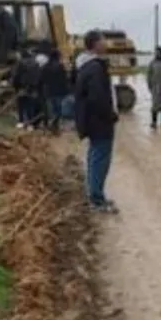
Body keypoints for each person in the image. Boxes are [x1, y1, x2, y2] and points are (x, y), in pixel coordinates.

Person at [74, 29, 119, 213]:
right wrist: (110, 115)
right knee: (100, 159)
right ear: (95, 44)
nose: (106, 43)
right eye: (103, 40)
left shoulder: (86, 66)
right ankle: (97, 200)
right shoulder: (95, 68)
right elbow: (98, 98)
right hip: (100, 123)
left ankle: (94, 194)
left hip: (91, 122)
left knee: (94, 157)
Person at [39, 48, 70, 134]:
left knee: (51, 110)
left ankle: (53, 126)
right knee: (58, 110)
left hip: (48, 91)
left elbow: (41, 79)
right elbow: (64, 79)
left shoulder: (45, 67)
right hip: (59, 91)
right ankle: (55, 126)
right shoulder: (60, 66)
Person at [10, 49, 41, 129]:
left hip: (22, 87)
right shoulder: (36, 63)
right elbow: (39, 76)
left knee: (21, 105)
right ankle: (31, 124)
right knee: (30, 105)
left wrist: (15, 85)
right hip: (33, 87)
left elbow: (17, 76)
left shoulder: (20, 63)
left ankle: (21, 122)